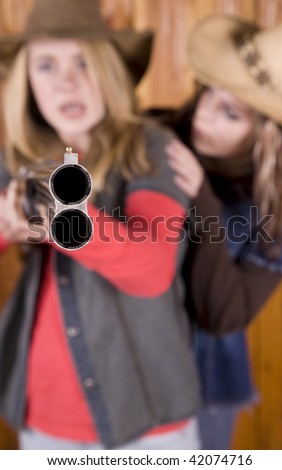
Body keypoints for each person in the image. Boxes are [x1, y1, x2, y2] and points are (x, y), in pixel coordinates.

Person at [0, 0, 202, 450]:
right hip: (42, 416)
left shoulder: (149, 147)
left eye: (83, 61)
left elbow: (152, 268)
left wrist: (70, 224)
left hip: (148, 421)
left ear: (109, 71)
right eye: (46, 65)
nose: (67, 81)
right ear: (27, 83)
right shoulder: (18, 159)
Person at [163, 14, 282, 449]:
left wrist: (200, 199)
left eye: (230, 112)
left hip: (203, 389)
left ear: (269, 135)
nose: (203, 114)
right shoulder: (163, 136)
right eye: (209, 95)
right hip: (126, 369)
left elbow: (224, 317)